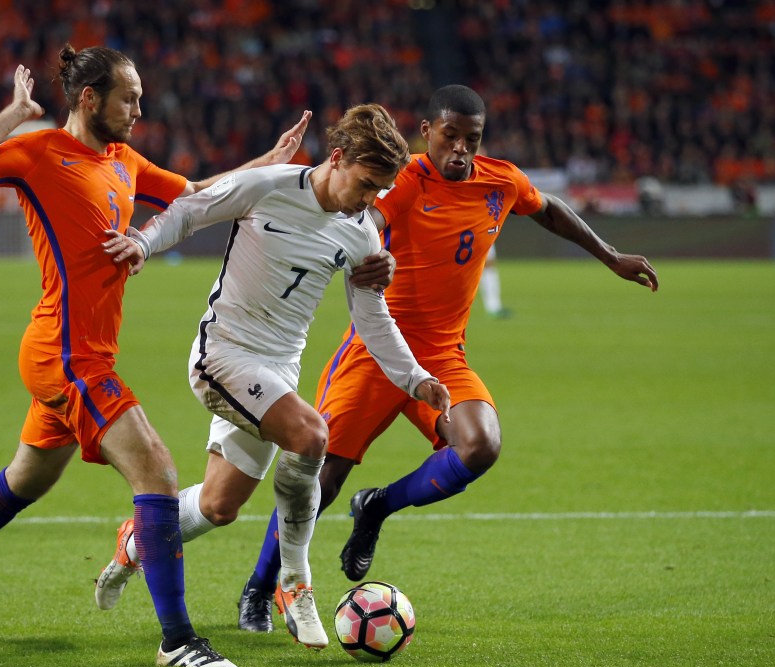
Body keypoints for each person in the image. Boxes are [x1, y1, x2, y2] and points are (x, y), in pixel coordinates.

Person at [0, 44, 313, 667]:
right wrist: (15, 114)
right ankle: (178, 642)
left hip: (80, 351)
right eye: (129, 98)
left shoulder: (123, 159)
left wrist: (265, 165)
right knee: (160, 474)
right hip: (66, 354)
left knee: (25, 480)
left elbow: (196, 194)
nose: (139, 109)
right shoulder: (38, 154)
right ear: (90, 99)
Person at [218, 84, 656, 631]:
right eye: (450, 136)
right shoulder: (403, 181)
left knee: (480, 445)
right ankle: (260, 589)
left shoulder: (501, 180)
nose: (460, 149)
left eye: (471, 139)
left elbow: (549, 210)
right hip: (376, 351)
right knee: (321, 478)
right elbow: (365, 223)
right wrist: (370, 257)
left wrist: (610, 256)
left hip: (443, 356)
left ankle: (377, 507)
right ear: (427, 132)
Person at [96, 103, 452, 649]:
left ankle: (136, 542)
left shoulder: (361, 235)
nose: (371, 200)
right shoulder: (268, 187)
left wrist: (416, 378)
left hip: (278, 372)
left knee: (219, 506)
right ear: (337, 159)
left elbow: (371, 317)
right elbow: (190, 210)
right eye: (365, 184)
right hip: (224, 355)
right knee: (312, 435)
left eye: (381, 190)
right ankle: (294, 581)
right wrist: (142, 242)